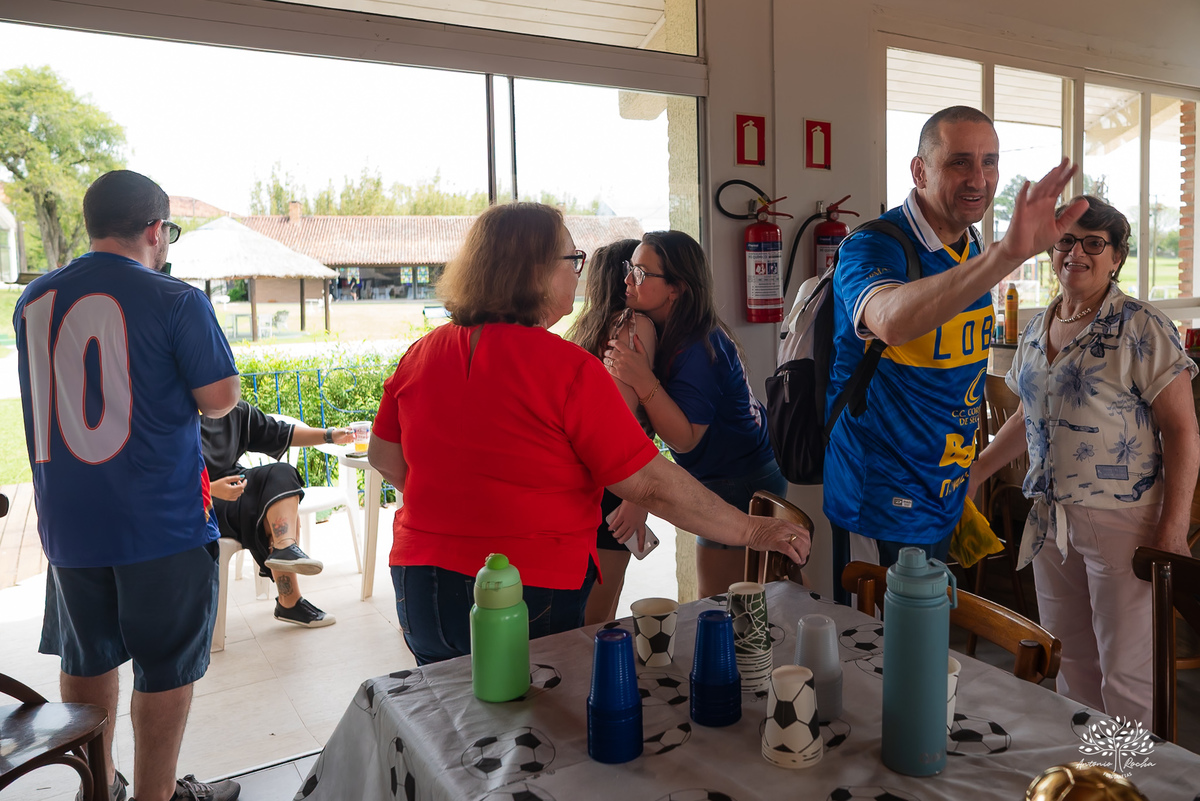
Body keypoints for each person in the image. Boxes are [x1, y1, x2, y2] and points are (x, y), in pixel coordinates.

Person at [367, 202, 809, 666]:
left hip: (422, 585)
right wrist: (752, 529)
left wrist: (459, 502)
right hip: (529, 588)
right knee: (533, 726)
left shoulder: (421, 353)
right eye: (570, 259)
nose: (579, 272)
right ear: (534, 271)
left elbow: (385, 457)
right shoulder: (567, 369)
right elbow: (649, 483)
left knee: (450, 723)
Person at [13, 170, 242, 801]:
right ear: (153, 230)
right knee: (165, 666)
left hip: (67, 522)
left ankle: (99, 787)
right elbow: (220, 400)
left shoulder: (31, 299)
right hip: (159, 521)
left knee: (85, 658)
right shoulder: (176, 298)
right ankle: (155, 797)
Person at [821, 105, 1088, 603]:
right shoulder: (874, 247)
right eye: (959, 162)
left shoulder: (970, 247)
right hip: (880, 495)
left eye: (990, 162)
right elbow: (891, 321)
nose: (979, 179)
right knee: (873, 658)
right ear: (919, 171)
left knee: (922, 650)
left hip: (944, 492)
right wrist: (1004, 256)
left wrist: (973, 472)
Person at [970, 196, 1199, 726]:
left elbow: (1183, 432)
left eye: (1094, 243)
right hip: (1051, 519)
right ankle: (1088, 775)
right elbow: (1030, 415)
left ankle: (1130, 783)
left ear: (1116, 256)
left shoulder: (1142, 327)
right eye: (1066, 241)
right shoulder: (1038, 325)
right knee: (1071, 659)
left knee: (1126, 669)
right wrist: (976, 471)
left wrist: (1174, 529)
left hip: (1125, 520)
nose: (1077, 253)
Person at [604, 230, 788, 598]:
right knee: (764, 592)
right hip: (731, 474)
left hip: (740, 480)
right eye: (629, 268)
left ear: (676, 288)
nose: (628, 280)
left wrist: (643, 380)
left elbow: (685, 439)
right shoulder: (666, 328)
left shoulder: (698, 345)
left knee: (724, 604)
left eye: (641, 273)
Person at [567, 238, 659, 624]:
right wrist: (639, 496)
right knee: (600, 615)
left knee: (583, 609)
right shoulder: (634, 326)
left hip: (580, 480)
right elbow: (623, 422)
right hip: (615, 481)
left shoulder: (583, 330)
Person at [201, 401, 355, 628]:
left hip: (234, 484)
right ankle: (290, 602)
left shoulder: (234, 410)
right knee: (271, 513)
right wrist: (210, 489)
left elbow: (282, 432)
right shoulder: (172, 418)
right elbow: (160, 477)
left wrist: (330, 435)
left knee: (282, 476)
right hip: (200, 500)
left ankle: (285, 548)